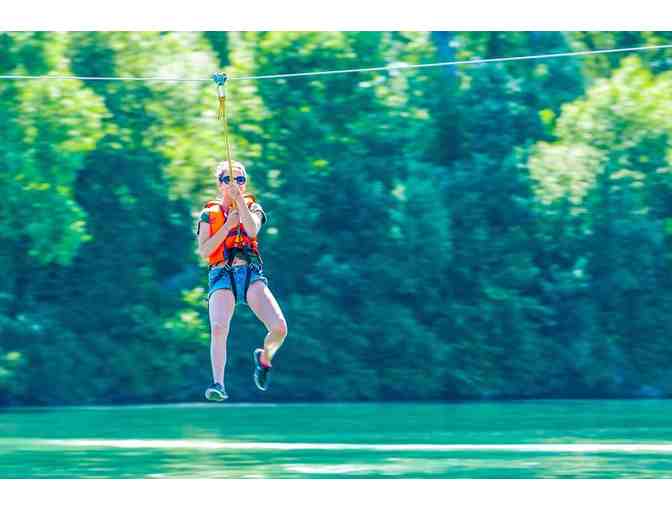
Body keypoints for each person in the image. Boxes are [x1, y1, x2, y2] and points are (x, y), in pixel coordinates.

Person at [196, 160, 288, 401]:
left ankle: (264, 359)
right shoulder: (208, 215)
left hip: (250, 273)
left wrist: (240, 205)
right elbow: (205, 250)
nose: (234, 183)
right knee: (218, 327)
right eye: (228, 179)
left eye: (239, 179)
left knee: (279, 329)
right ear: (219, 184)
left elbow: (252, 230)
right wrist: (227, 225)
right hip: (222, 274)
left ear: (245, 184)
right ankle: (218, 383)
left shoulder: (253, 208)